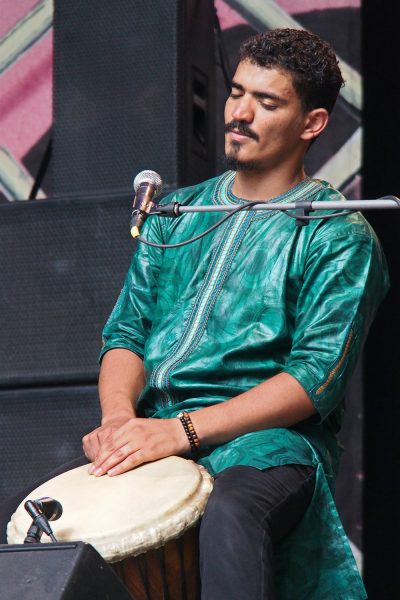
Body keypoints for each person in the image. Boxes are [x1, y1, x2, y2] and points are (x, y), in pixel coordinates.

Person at [1, 28, 388, 599]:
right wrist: (117, 422)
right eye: (236, 93)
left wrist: (182, 431)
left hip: (267, 443)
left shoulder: (337, 234)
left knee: (233, 511)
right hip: (153, 425)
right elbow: (127, 332)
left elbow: (314, 380)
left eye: (267, 101)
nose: (240, 113)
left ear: (312, 123)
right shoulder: (177, 214)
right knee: (50, 526)